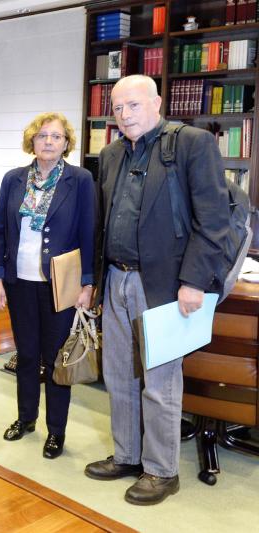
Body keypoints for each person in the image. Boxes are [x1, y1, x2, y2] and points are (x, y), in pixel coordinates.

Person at [85, 75, 230, 505]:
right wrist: (94, 281)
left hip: (165, 283)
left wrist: (194, 282)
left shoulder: (192, 144)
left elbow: (214, 219)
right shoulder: (110, 154)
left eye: (133, 105)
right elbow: (105, 221)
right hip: (116, 278)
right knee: (117, 375)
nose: (124, 114)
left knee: (159, 381)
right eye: (117, 107)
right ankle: (128, 455)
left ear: (156, 103)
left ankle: (162, 471)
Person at [0, 112, 94, 459]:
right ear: (31, 141)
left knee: (55, 358)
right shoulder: (13, 179)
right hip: (20, 282)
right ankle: (26, 418)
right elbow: (0, 231)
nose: (48, 142)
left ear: (67, 143)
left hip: (60, 285)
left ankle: (57, 431)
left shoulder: (80, 180)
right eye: (42, 136)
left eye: (56, 137)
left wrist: (87, 283)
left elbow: (89, 234)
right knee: (28, 355)